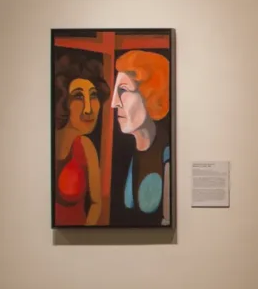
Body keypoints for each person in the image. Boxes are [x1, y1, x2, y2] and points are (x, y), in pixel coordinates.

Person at [108, 50, 172, 226]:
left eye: (123, 90)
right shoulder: (123, 156)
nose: (114, 103)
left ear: (150, 95)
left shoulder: (168, 157)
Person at [53, 55, 106, 226]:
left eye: (93, 96)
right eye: (78, 97)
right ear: (63, 101)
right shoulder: (47, 143)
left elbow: (96, 204)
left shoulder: (85, 147)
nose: (89, 109)